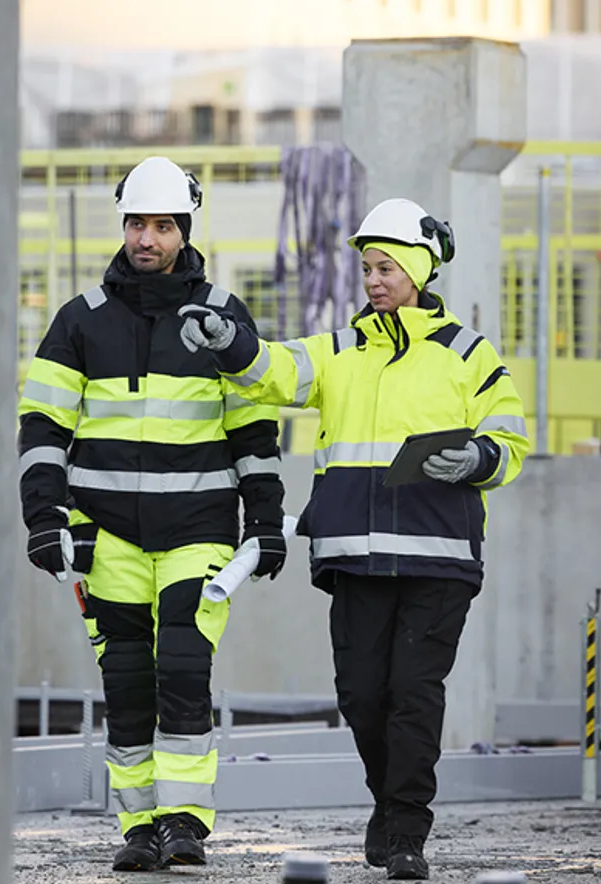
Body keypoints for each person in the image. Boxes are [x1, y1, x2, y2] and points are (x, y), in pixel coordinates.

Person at [178, 197, 529, 880]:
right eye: (367, 268)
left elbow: (511, 435)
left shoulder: (466, 353)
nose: (373, 279)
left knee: (414, 696)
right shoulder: (339, 351)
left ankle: (406, 832)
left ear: (421, 270)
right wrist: (229, 340)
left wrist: (479, 458)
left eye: (386, 267)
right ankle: (388, 806)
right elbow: (273, 370)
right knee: (364, 697)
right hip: (354, 558)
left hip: (438, 561)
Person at [16, 156, 287, 872]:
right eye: (137, 223)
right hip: (107, 541)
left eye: (162, 225)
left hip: (198, 534)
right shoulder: (79, 322)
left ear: (184, 230)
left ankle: (185, 822)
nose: (147, 238)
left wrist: (264, 520)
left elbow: (255, 433)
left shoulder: (222, 318)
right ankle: (139, 826)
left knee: (185, 671)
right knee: (128, 685)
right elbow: (42, 425)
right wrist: (45, 517)